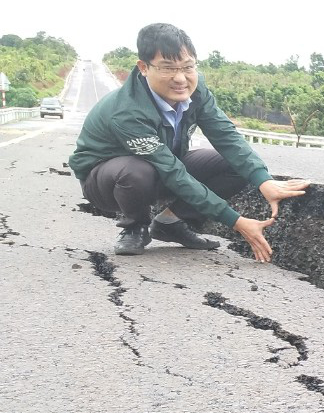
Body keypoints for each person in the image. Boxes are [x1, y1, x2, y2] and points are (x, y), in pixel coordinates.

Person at [70, 23, 307, 262]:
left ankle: (170, 222)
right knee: (136, 171)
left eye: (187, 67)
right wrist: (236, 221)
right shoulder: (126, 111)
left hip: (163, 168)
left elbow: (225, 135)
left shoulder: (196, 90)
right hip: (107, 182)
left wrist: (263, 181)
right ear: (144, 67)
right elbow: (171, 172)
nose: (180, 78)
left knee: (232, 165)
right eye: (168, 68)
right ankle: (135, 226)